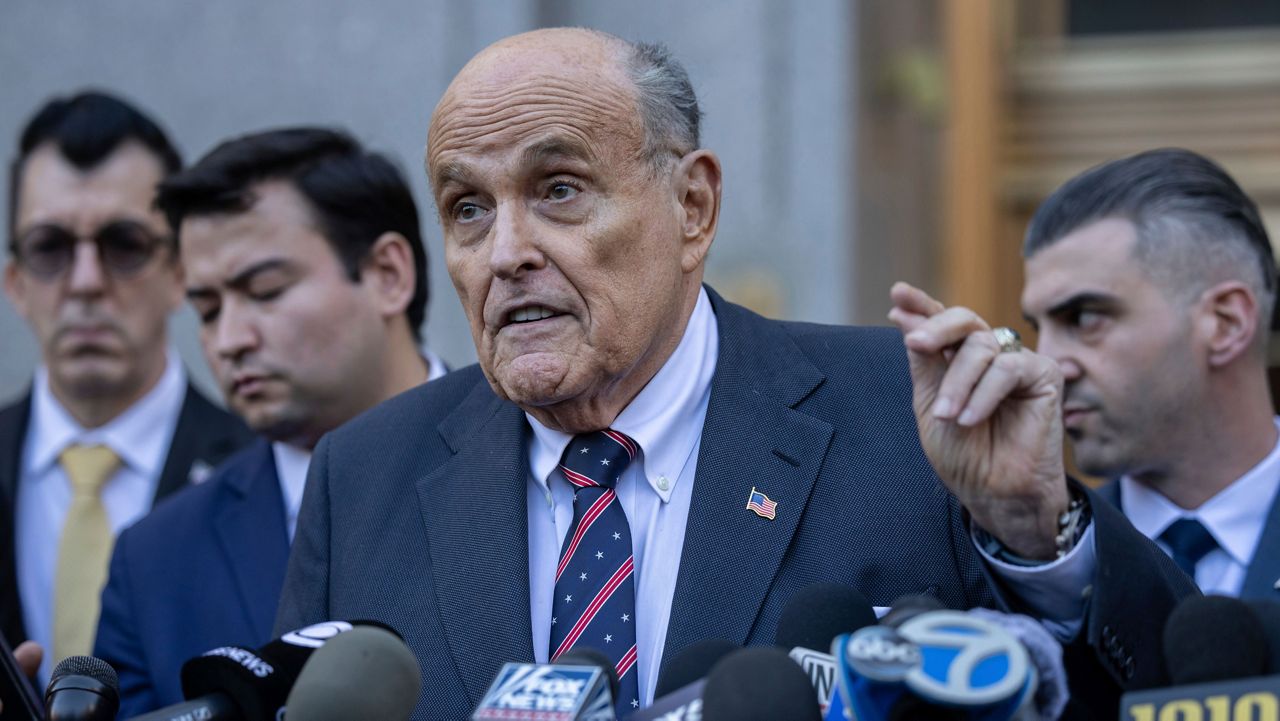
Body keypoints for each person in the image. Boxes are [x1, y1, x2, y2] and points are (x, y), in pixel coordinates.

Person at [275, 29, 1193, 718]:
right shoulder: (363, 479)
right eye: (468, 208)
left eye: (558, 189)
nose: (507, 251)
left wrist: (1035, 540)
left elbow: (1177, 683)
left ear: (693, 206)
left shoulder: (906, 414)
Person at [92, 127, 448, 716]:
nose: (229, 340)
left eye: (265, 290)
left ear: (388, 274)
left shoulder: (550, 472)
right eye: (207, 311)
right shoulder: (154, 562)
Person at [0, 91, 252, 685]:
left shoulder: (263, 475)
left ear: (180, 273)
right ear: (15, 283)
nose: (86, 282)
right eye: (50, 247)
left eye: (125, 245)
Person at [1021, 148, 1280, 598]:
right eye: (1037, 329)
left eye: (1083, 318)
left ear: (1225, 324)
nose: (1048, 367)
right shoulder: (1041, 562)